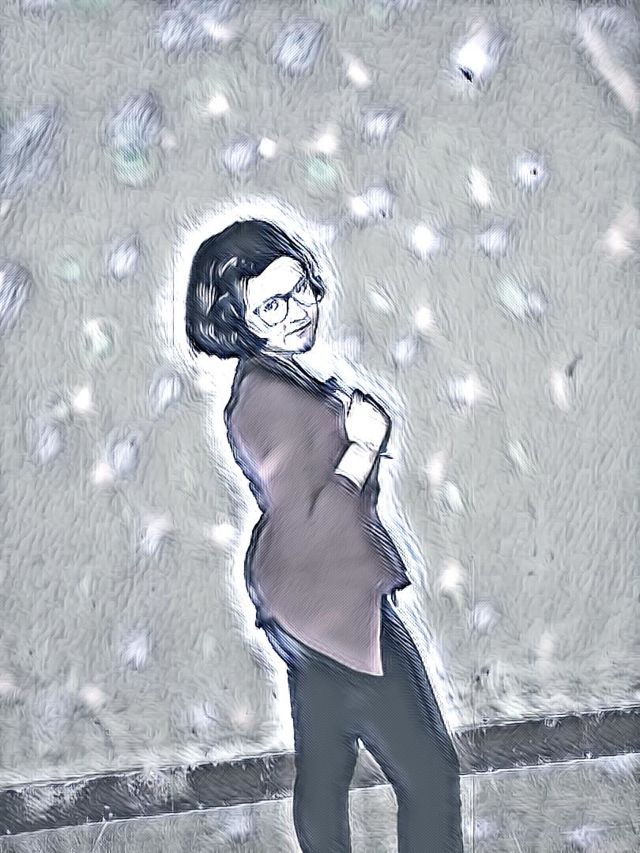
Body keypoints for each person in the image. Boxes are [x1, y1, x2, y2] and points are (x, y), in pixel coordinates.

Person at [184, 218, 464, 852]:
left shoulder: (277, 381)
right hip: (331, 606)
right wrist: (364, 445)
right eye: (271, 306)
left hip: (304, 601)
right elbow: (311, 522)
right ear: (236, 319)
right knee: (428, 772)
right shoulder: (266, 401)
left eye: (300, 289)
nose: (296, 312)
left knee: (325, 768)